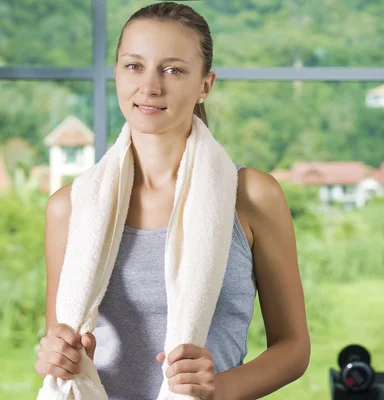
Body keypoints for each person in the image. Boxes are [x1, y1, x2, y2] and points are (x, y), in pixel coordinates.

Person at [34, 2, 310, 399]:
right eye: (133, 66)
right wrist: (55, 357)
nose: (150, 87)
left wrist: (217, 388)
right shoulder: (69, 207)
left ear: (205, 85)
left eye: (173, 69)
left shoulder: (251, 195)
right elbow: (61, 339)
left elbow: (294, 349)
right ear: (116, 73)